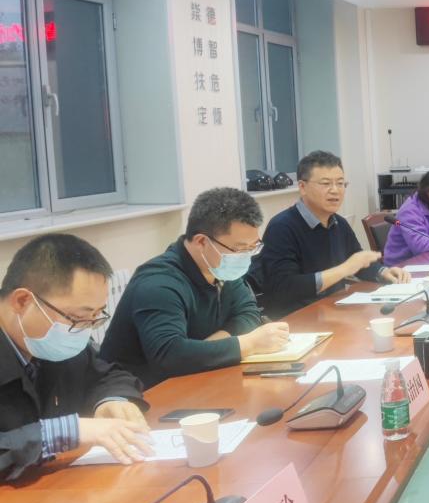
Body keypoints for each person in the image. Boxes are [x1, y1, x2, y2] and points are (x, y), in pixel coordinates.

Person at [100, 187, 290, 388]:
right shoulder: (158, 283)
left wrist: (204, 350)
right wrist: (248, 344)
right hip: (142, 391)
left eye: (252, 247)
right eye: (240, 248)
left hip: (196, 377)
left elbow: (248, 313)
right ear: (201, 242)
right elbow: (169, 356)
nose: (245, 257)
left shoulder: (222, 267)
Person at [1, 234, 153, 481]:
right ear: (22, 301)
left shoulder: (54, 339)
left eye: (96, 316)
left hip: (52, 485)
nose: (85, 329)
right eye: (78, 317)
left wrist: (112, 400)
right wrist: (68, 431)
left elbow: (107, 374)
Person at [259, 151, 410, 318]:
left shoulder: (339, 223)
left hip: (333, 310)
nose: (335, 190)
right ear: (302, 187)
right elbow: (285, 287)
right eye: (325, 184)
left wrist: (383, 271)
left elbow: (358, 261)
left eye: (340, 183)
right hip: (297, 319)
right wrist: (344, 269)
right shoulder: (282, 227)